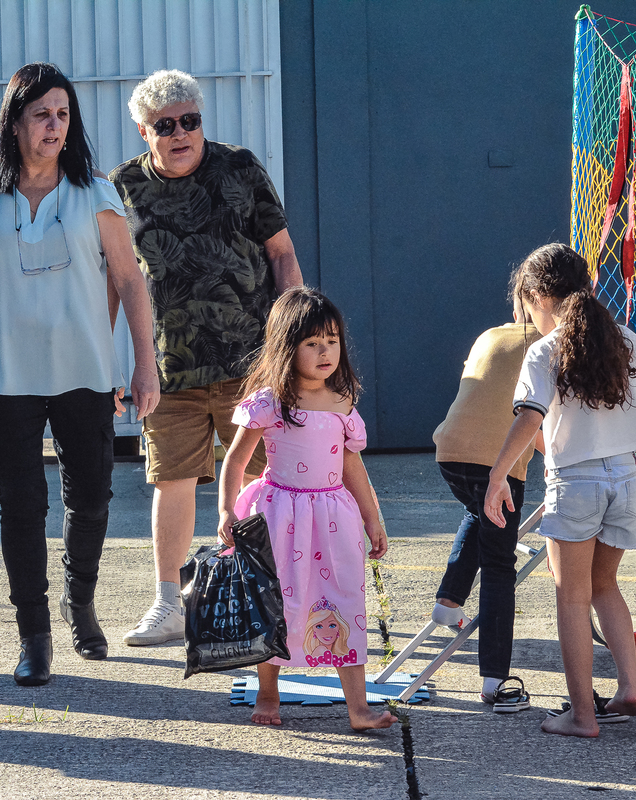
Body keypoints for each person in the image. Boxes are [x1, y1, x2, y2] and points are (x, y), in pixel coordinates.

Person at [0, 63, 160, 686]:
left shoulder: (95, 191)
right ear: (14, 123)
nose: (54, 125)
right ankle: (33, 635)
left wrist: (142, 364)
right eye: (41, 114)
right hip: (6, 374)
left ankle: (81, 600)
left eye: (63, 114)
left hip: (85, 371)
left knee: (91, 497)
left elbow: (129, 280)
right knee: (21, 506)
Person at [109, 69, 303, 647]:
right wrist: (111, 363)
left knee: (271, 481)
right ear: (144, 131)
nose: (180, 133)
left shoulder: (240, 168)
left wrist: (292, 347)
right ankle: (170, 603)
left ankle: (281, 599)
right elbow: (116, 281)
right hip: (168, 370)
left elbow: (283, 256)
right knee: (171, 481)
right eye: (165, 126)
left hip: (253, 366)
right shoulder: (122, 188)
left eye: (189, 120)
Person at [484, 243, 636, 737]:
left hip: (575, 482)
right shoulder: (620, 337)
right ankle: (630, 686)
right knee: (604, 586)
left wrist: (498, 475)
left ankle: (582, 716)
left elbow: (529, 415)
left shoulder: (545, 349)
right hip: (625, 480)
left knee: (572, 597)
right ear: (587, 287)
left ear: (538, 296)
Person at [218, 287, 395, 731]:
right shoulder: (269, 401)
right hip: (280, 518)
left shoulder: (342, 401)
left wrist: (373, 517)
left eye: (332, 341)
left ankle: (359, 708)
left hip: (333, 520)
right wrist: (226, 511)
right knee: (277, 604)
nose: (325, 351)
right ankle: (268, 692)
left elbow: (351, 465)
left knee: (345, 601)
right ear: (286, 346)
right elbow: (236, 460)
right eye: (312, 343)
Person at [429, 272, 541, 712]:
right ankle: (494, 679)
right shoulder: (550, 348)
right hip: (496, 463)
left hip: (450, 453)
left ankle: (447, 601)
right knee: (499, 566)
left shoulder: (490, 335)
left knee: (479, 511)